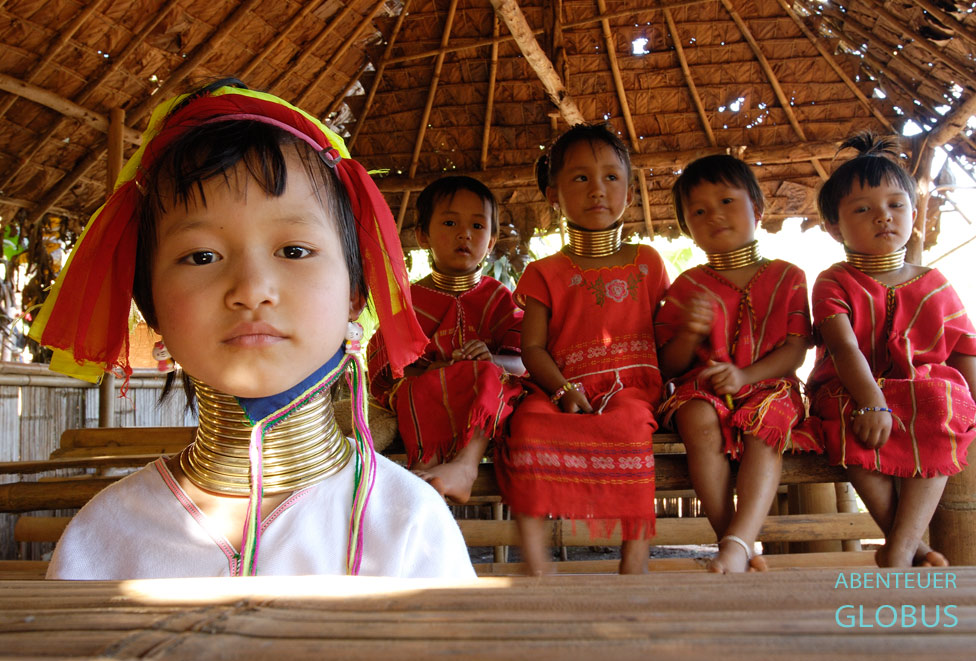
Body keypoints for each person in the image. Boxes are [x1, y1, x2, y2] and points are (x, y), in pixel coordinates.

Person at [31, 79, 475, 580]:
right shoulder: (104, 539)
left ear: (356, 291)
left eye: (294, 250)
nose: (251, 288)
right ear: (149, 304)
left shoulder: (407, 526)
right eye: (201, 256)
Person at [805, 132, 976, 568]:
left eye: (896, 205)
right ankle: (912, 547)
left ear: (915, 213)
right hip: (851, 388)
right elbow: (842, 347)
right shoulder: (833, 282)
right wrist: (872, 402)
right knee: (842, 419)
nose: (883, 217)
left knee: (944, 404)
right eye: (862, 209)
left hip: (921, 389)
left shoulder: (934, 282)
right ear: (834, 226)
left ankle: (898, 548)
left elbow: (964, 347)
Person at [495, 123, 669, 575]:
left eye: (612, 177)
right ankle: (537, 563)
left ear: (629, 193)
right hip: (561, 388)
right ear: (553, 194)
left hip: (631, 388)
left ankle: (635, 560)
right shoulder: (544, 272)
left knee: (631, 423)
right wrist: (560, 391)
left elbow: (666, 333)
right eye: (580, 178)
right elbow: (532, 348)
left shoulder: (646, 262)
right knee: (529, 424)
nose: (598, 189)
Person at [656, 155, 815, 574]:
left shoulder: (788, 276)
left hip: (771, 387)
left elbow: (796, 350)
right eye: (699, 211)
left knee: (765, 428)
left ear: (757, 210)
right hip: (703, 389)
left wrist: (746, 375)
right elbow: (668, 367)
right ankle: (733, 538)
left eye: (727, 201)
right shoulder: (686, 285)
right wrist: (689, 334)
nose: (715, 216)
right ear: (687, 227)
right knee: (695, 416)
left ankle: (740, 541)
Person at [368, 176, 523, 503]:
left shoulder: (498, 297)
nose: (464, 234)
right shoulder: (407, 302)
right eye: (450, 222)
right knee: (416, 387)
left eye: (478, 226)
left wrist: (490, 360)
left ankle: (466, 465)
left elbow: (523, 361)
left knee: (490, 376)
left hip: (481, 391)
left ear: (492, 241)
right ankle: (426, 464)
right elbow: (388, 369)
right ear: (423, 236)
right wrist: (433, 371)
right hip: (426, 390)